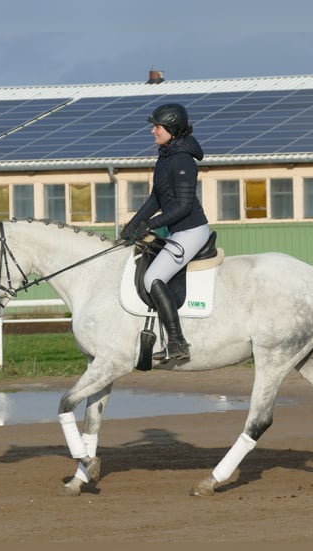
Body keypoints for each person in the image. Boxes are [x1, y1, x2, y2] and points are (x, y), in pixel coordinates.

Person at [120, 103, 210, 362]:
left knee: (153, 278)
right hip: (178, 231)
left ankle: (177, 342)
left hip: (191, 230)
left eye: (156, 127)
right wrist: (134, 224)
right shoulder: (165, 156)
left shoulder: (183, 161)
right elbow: (156, 198)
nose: (152, 131)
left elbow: (183, 206)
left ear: (171, 128)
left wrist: (149, 225)